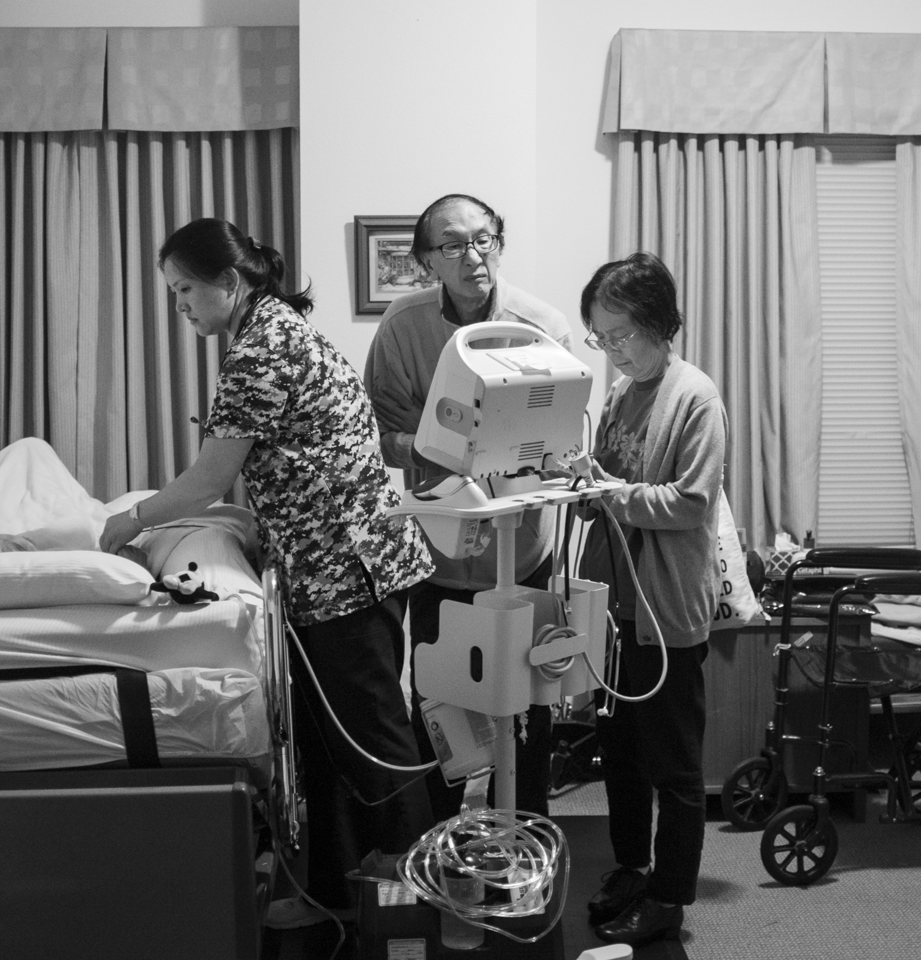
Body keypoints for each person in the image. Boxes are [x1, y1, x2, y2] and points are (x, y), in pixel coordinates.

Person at [99, 218, 436, 930]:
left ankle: (415, 911)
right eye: (173, 292)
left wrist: (128, 522)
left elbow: (208, 481)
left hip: (346, 570)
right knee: (325, 742)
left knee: (375, 742)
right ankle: (334, 896)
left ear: (229, 280)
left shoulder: (261, 350)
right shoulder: (281, 328)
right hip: (335, 566)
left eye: (186, 288)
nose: (182, 304)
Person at [363, 193, 573, 822]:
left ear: (498, 243)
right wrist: (446, 443)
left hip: (524, 552)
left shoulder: (543, 324)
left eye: (483, 240)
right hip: (441, 558)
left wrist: (511, 452)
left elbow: (563, 441)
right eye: (452, 245)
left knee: (529, 704)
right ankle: (438, 844)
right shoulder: (403, 327)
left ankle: (527, 833)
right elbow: (376, 432)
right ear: (427, 260)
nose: (472, 256)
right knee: (441, 708)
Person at [576, 252, 727, 947]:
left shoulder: (695, 396)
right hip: (613, 605)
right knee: (621, 755)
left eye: (620, 336)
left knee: (674, 767)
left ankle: (669, 899)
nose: (611, 351)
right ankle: (633, 868)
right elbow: (607, 485)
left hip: (664, 610)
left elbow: (691, 504)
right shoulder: (618, 391)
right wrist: (578, 484)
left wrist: (610, 493)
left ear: (660, 325)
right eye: (599, 338)